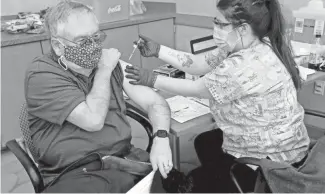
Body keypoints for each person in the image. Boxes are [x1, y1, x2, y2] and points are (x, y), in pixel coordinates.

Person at [125, 0, 311, 192]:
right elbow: (198, 63)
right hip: (291, 148)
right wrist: (159, 50)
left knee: (193, 180)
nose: (215, 28)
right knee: (204, 142)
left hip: (271, 164)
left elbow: (196, 88)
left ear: (243, 28)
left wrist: (151, 79)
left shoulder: (243, 65)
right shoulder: (259, 43)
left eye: (220, 24)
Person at [24, 1, 173, 193]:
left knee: (175, 184)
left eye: (96, 36)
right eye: (83, 41)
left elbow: (154, 102)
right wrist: (104, 69)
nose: (94, 46)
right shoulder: (42, 74)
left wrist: (161, 138)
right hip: (75, 172)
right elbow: (93, 120)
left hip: (122, 161)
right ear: (58, 46)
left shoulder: (110, 63)